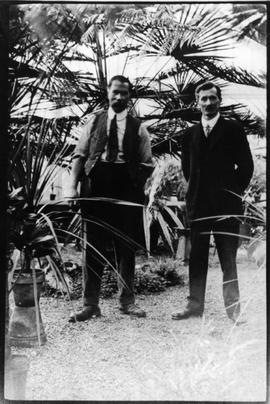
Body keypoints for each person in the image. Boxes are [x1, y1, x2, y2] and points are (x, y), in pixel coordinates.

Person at [66, 75, 154, 322]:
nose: (119, 97)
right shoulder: (94, 121)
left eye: (124, 93)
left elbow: (148, 163)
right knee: (92, 247)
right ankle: (89, 304)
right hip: (95, 187)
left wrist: (135, 185)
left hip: (126, 189)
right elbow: (79, 155)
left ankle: (128, 302)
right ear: (108, 92)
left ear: (129, 96)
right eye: (115, 92)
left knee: (125, 247)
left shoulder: (139, 127)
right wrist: (72, 187)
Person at [172, 81, 254, 322]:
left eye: (212, 98)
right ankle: (194, 306)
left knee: (228, 259)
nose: (208, 103)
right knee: (196, 257)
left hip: (226, 206)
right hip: (198, 206)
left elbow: (246, 166)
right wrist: (197, 192)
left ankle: (234, 310)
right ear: (197, 102)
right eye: (203, 99)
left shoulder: (233, 130)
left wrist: (231, 191)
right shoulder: (189, 134)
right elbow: (188, 170)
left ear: (220, 101)